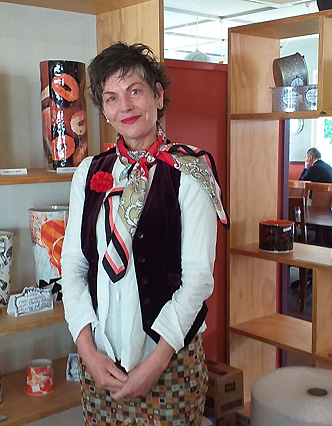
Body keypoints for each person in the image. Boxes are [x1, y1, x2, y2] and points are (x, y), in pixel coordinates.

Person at [61, 42, 229, 425]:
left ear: (158, 95)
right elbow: (73, 264)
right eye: (111, 97)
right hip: (100, 363)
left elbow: (198, 280)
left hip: (168, 365)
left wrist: (155, 362)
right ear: (104, 110)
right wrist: (87, 352)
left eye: (135, 91)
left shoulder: (191, 171)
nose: (125, 106)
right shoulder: (88, 172)